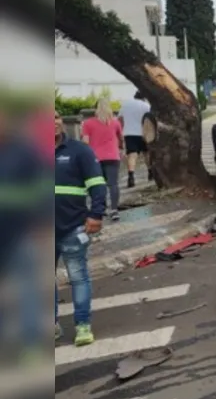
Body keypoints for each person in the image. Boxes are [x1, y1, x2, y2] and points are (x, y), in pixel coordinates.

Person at [55, 113, 107, 346]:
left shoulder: (79, 151)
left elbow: (97, 184)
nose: (54, 121)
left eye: (56, 116)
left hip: (73, 227)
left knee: (78, 277)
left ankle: (83, 325)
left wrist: (96, 214)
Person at [0, 109, 48, 360]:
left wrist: (41, 221)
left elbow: (41, 187)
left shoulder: (23, 152)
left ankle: (31, 345)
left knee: (28, 289)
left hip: (20, 233)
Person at [81, 97, 124, 221]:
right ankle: (114, 210)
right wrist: (120, 148)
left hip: (95, 158)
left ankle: (102, 208)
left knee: (98, 184)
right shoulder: (115, 122)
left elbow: (85, 143)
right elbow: (120, 138)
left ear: (95, 109)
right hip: (113, 156)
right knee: (113, 184)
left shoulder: (88, 123)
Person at [119, 91, 151, 187]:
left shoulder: (126, 105)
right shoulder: (146, 106)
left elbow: (120, 119)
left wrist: (121, 130)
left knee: (132, 155)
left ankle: (131, 176)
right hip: (144, 133)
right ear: (144, 98)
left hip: (129, 133)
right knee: (147, 154)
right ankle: (150, 172)